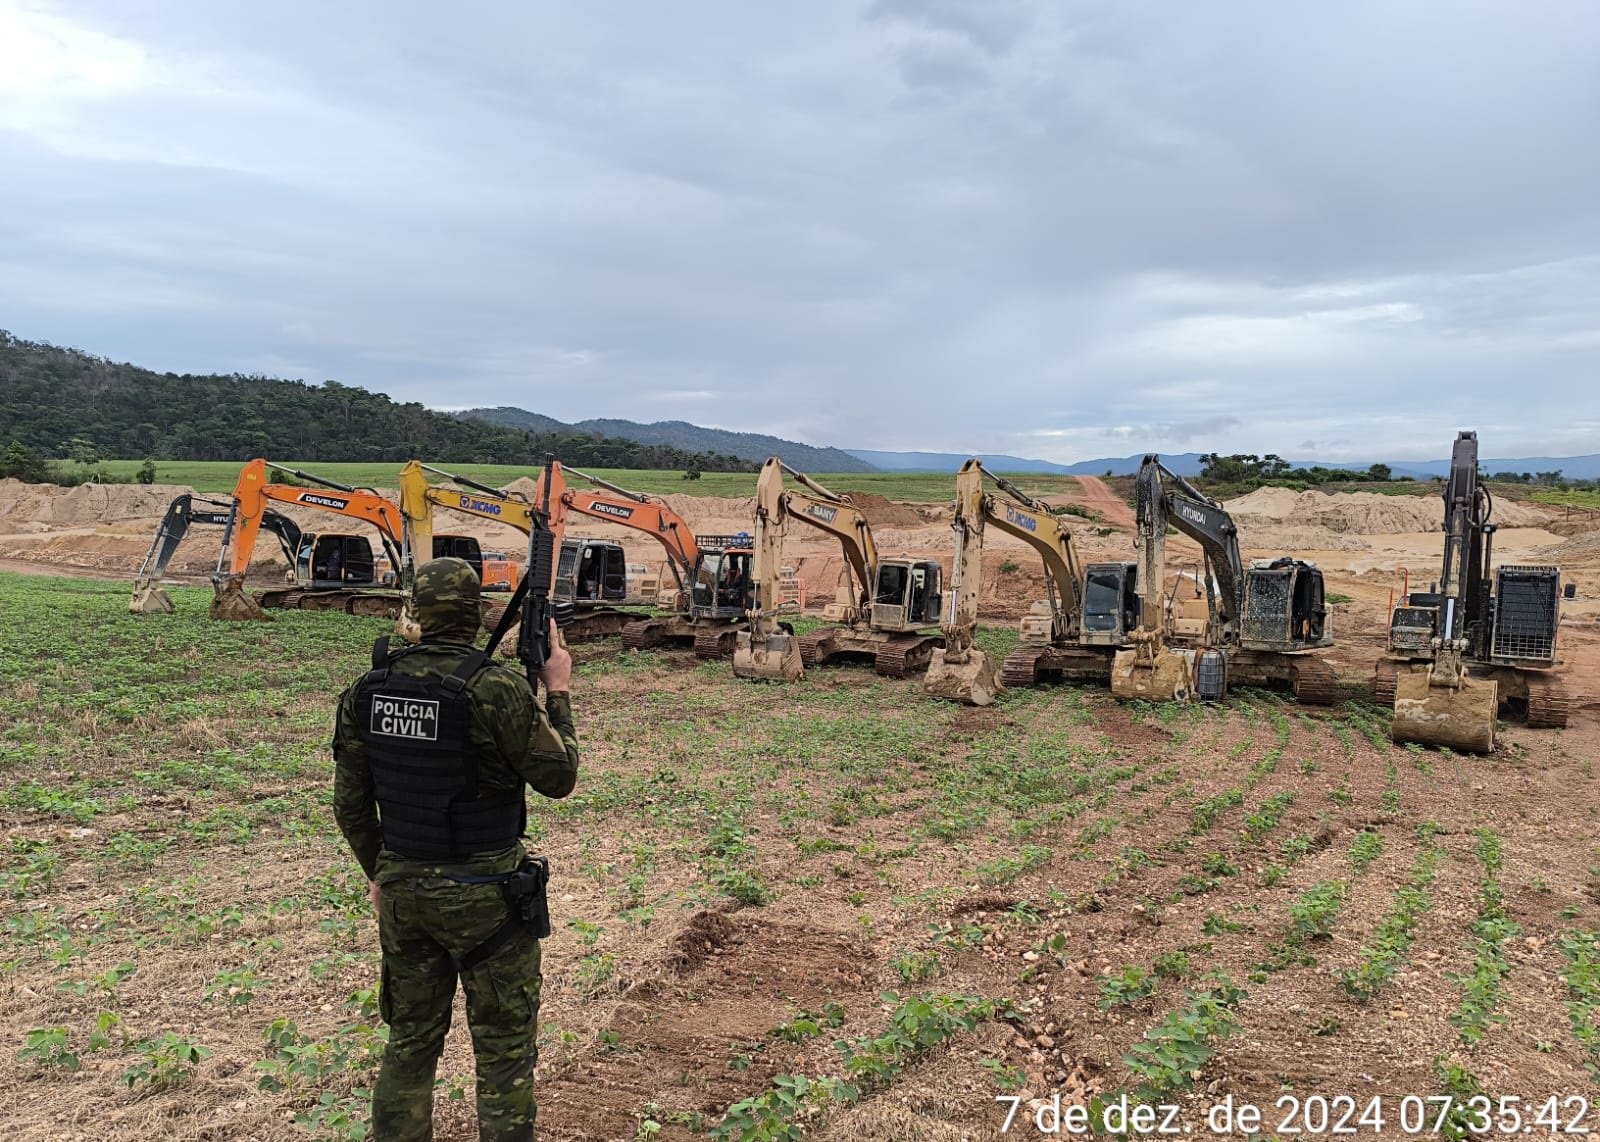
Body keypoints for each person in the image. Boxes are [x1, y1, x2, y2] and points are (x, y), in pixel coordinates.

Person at [332, 557, 579, 1141]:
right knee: (504, 1052)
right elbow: (559, 777)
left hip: (403, 893)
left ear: (412, 613)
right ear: (473, 617)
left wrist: (381, 872)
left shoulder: (367, 690)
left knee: (411, 1042)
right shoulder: (493, 688)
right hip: (487, 896)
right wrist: (558, 691)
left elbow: (349, 806)